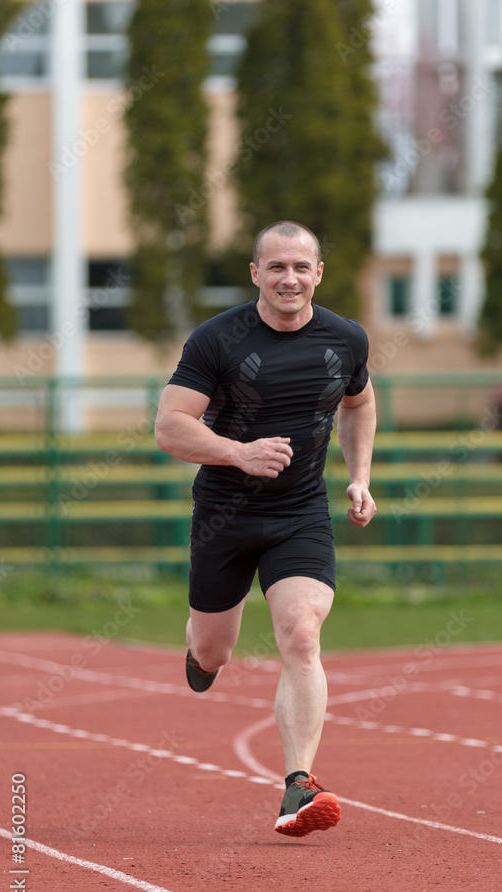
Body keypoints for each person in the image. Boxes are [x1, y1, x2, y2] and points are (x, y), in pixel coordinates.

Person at [155, 220, 377, 837]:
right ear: (255, 273)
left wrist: (359, 477)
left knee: (301, 635)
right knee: (214, 649)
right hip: (225, 514)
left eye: (301, 267)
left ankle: (298, 786)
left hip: (300, 513)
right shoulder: (216, 340)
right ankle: (201, 655)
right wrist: (239, 452)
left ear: (319, 274)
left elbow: (359, 402)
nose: (289, 278)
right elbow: (169, 426)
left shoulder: (346, 338)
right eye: (276, 267)